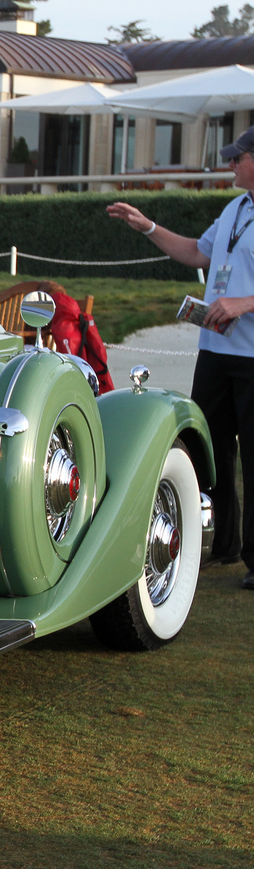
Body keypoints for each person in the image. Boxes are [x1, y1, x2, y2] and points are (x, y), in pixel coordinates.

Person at [109, 130, 254, 590]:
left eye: (238, 158)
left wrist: (241, 303)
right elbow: (195, 251)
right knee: (210, 450)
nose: (230, 165)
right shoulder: (236, 209)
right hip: (215, 350)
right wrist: (147, 226)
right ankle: (223, 543)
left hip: (251, 356)